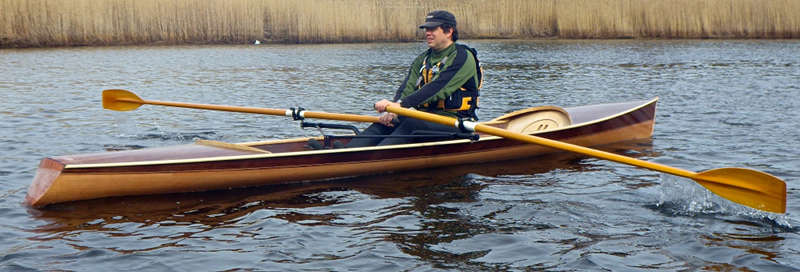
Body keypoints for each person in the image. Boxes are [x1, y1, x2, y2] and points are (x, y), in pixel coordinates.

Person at [346, 10, 482, 147]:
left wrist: (401, 106)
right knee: (386, 122)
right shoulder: (423, 59)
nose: (427, 33)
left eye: (433, 29)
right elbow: (407, 87)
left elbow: (438, 88)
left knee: (412, 124)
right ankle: (348, 152)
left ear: (448, 31)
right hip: (425, 119)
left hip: (455, 122)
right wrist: (394, 111)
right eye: (426, 29)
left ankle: (374, 158)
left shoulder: (463, 57)